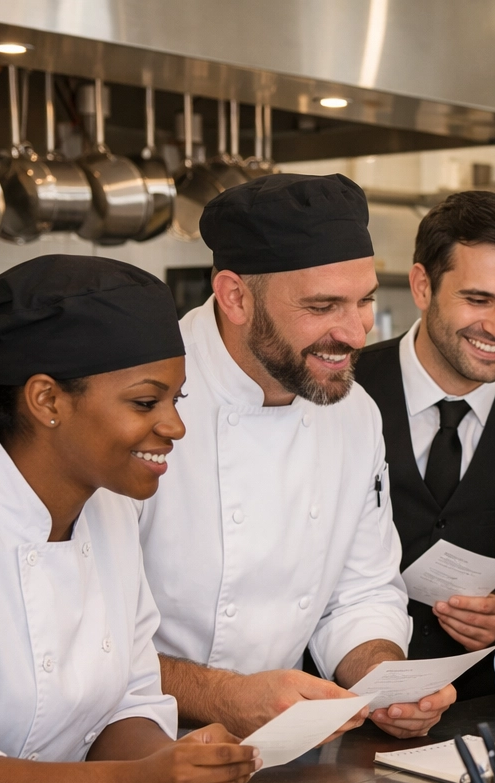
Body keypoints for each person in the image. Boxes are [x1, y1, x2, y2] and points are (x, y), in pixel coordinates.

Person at [0, 256, 257, 783]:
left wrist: (176, 766)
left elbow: (129, 701)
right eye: (146, 402)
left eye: (178, 399)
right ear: (47, 400)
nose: (174, 426)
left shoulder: (110, 511)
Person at [138, 173, 437, 740]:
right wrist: (226, 695)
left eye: (365, 300)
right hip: (131, 746)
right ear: (235, 297)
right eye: (323, 306)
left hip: (283, 747)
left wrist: (384, 680)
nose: (354, 332)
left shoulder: (354, 413)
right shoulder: (140, 404)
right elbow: (82, 637)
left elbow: (360, 590)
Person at [353, 191, 495, 701]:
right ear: (422, 286)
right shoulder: (339, 396)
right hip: (338, 704)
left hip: (490, 711)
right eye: (478, 300)